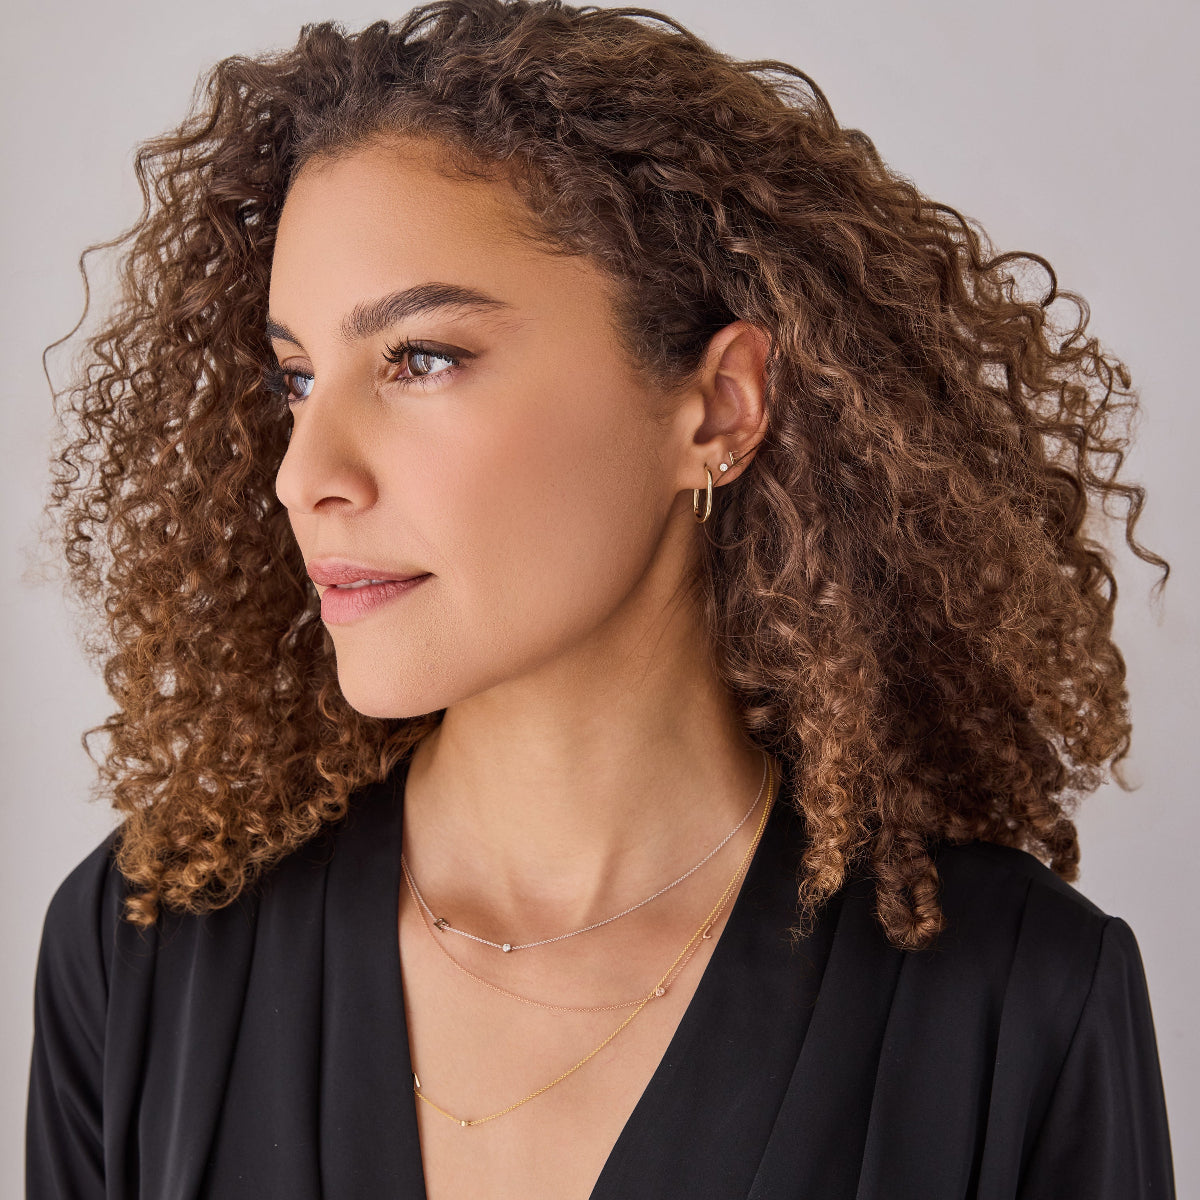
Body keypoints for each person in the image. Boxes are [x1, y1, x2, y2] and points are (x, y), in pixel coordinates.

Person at [25, 2, 1176, 1197]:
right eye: (298, 379)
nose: (305, 475)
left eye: (419, 358)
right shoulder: (143, 953)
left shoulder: (1017, 1006)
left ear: (719, 408)